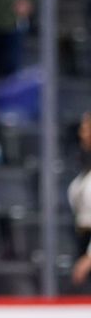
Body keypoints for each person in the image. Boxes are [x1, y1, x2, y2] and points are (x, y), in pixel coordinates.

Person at [70, 112, 91, 286]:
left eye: (86, 128)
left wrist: (90, 257)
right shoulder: (85, 166)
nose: (82, 133)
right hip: (82, 239)